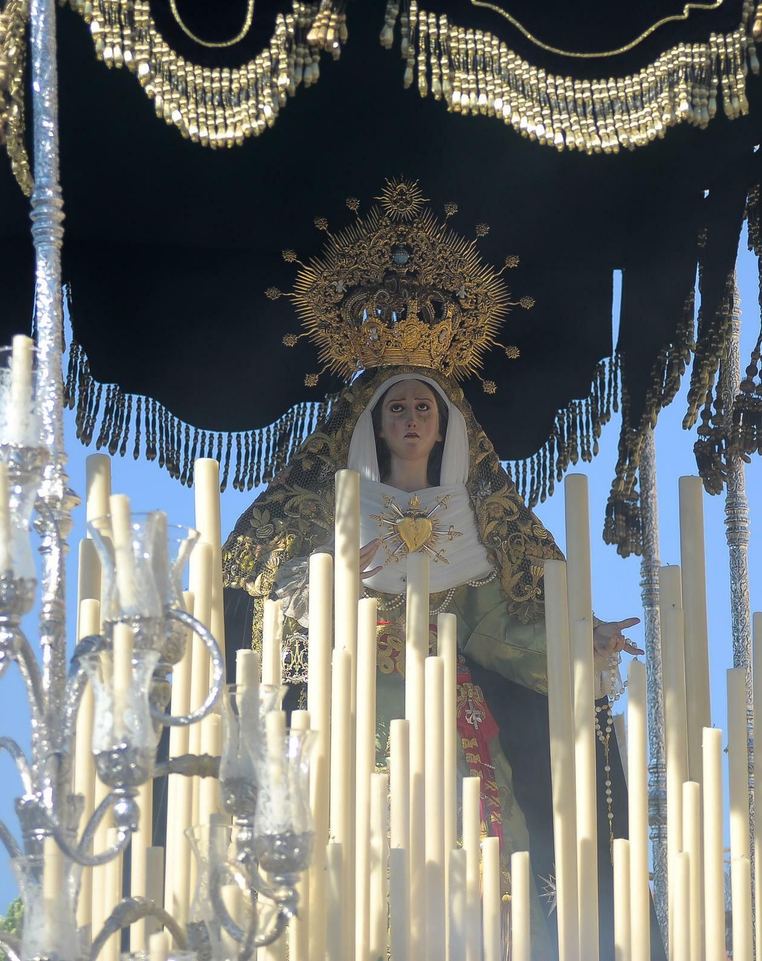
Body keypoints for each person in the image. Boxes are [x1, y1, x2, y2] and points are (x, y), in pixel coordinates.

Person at [223, 366, 643, 958]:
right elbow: (281, 609)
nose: (411, 418)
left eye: (424, 407)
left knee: (467, 845)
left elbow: (494, 628)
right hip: (356, 708)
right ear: (375, 424)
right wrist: (333, 583)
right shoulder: (333, 515)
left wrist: (581, 641)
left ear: (444, 425)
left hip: (452, 719)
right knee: (358, 835)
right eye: (397, 408)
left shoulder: (467, 523)